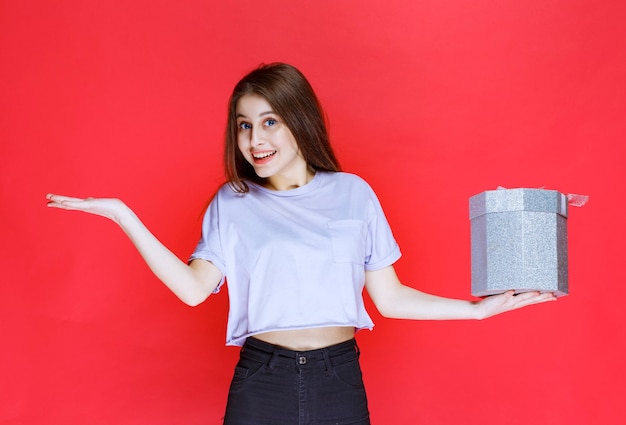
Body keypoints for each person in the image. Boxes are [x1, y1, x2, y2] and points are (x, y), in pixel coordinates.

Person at [46, 63, 556, 424]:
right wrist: (122, 215)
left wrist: (476, 311)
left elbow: (391, 297)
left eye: (269, 121)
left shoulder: (352, 194)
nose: (254, 139)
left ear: (299, 120)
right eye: (244, 125)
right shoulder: (234, 201)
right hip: (261, 379)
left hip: (339, 378)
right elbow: (194, 290)